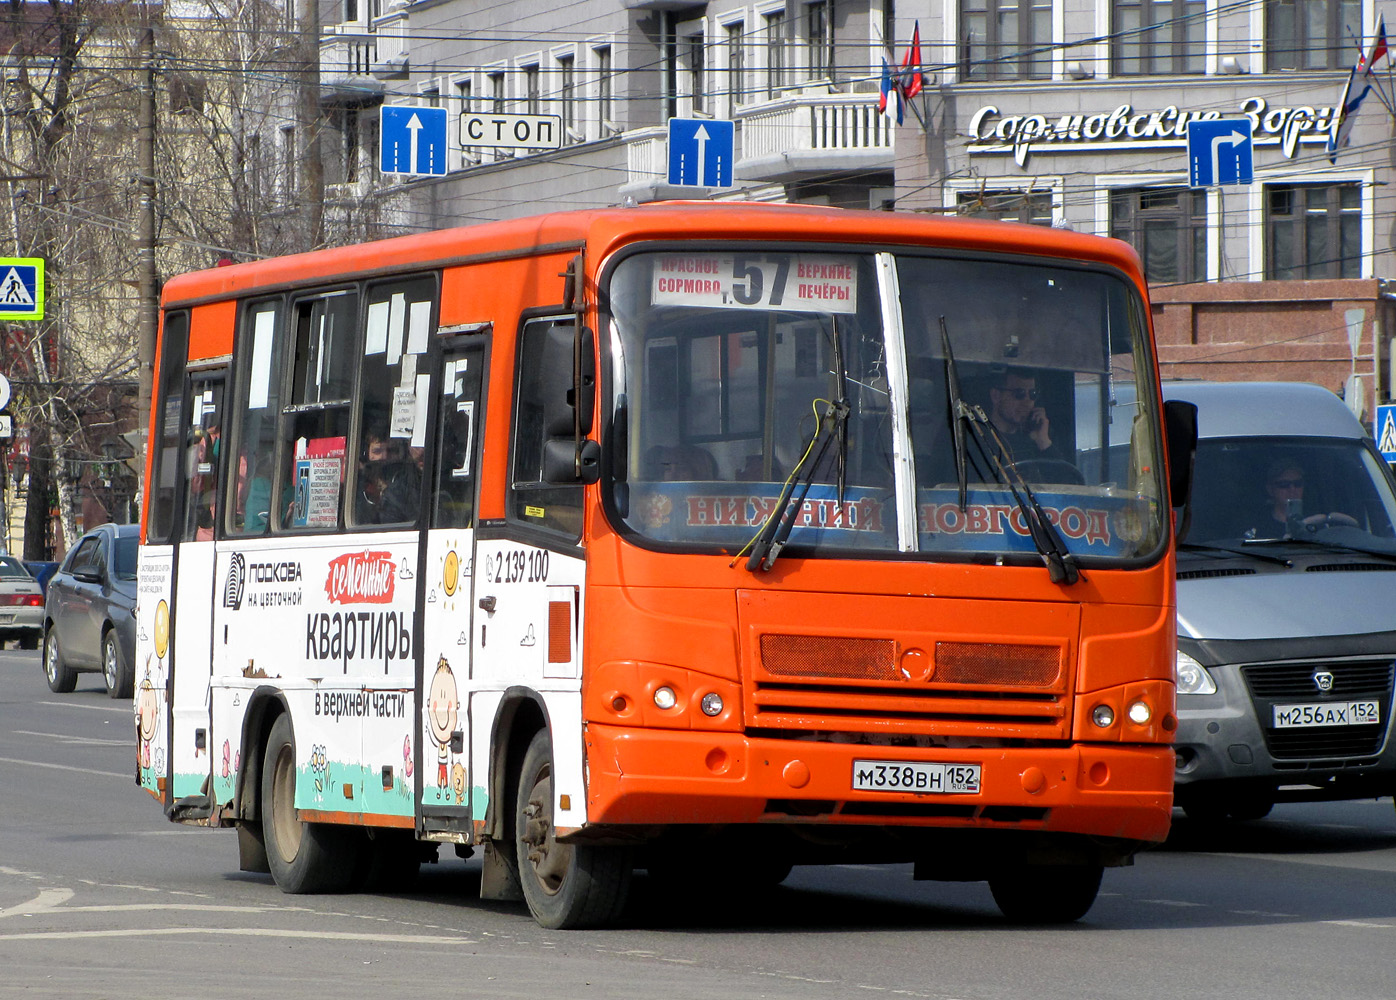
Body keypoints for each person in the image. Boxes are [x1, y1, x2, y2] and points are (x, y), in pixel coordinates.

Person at [1250, 459, 1357, 538]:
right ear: (1270, 489)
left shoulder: (1319, 522)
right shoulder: (1257, 524)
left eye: (1298, 484)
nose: (1292, 489)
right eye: (1284, 484)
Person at [985, 368, 1063, 463]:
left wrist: (1043, 442)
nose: (1027, 402)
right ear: (995, 396)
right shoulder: (978, 440)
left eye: (1032, 394)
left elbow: (1065, 476)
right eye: (1019, 393)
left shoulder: (1039, 438)